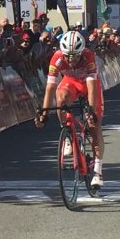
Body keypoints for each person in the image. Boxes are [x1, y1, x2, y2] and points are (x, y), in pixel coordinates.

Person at [35, 30, 104, 188]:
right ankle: (67, 134)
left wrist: (91, 111)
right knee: (60, 98)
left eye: (75, 56)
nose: (71, 60)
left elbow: (92, 87)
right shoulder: (57, 58)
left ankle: (98, 171)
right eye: (68, 56)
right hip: (71, 82)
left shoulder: (88, 56)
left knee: (94, 126)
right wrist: (44, 113)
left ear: (81, 52)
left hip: (89, 84)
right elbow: (50, 88)